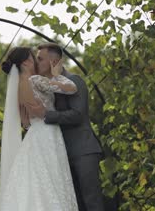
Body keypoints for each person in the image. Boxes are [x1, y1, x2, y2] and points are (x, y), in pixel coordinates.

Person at [0, 46, 78, 211]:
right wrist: (57, 75)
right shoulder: (35, 80)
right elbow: (72, 88)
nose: (36, 61)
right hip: (48, 132)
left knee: (35, 179)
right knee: (53, 177)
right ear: (27, 61)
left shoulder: (18, 87)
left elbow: (25, 122)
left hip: (34, 133)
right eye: (34, 58)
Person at [36, 43, 105, 211]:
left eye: (40, 59)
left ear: (54, 61)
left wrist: (46, 114)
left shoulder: (74, 81)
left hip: (83, 151)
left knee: (92, 201)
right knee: (75, 204)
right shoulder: (46, 85)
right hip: (62, 153)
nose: (37, 63)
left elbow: (77, 115)